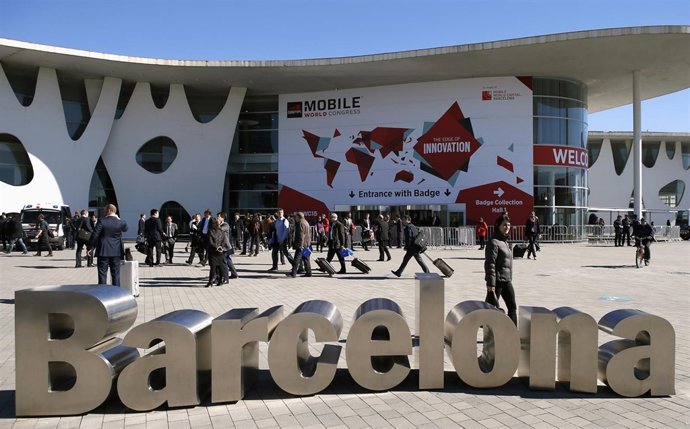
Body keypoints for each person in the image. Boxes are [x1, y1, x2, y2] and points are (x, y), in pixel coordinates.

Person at [484, 213, 517, 326]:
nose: (507, 227)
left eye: (508, 225)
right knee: (491, 310)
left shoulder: (505, 242)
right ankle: (489, 334)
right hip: (497, 282)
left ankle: (514, 335)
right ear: (498, 226)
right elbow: (490, 264)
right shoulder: (494, 242)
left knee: (512, 307)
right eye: (504, 225)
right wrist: (490, 283)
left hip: (507, 280)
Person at [88, 204, 128, 286]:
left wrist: (90, 247)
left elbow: (95, 235)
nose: (104, 211)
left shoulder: (102, 221)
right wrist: (118, 219)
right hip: (116, 251)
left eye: (105, 210)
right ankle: (116, 293)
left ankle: (103, 294)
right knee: (116, 274)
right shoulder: (121, 222)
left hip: (103, 251)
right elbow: (125, 228)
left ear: (109, 210)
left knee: (102, 274)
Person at [286, 212, 312, 278]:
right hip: (306, 244)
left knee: (296, 259)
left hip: (301, 245)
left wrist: (300, 245)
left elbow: (301, 235)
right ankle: (309, 272)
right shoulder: (306, 222)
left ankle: (293, 273)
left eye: (296, 217)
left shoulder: (301, 223)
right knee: (306, 258)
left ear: (299, 217)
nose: (295, 218)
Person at [205, 218, 229, 287]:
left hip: (213, 251)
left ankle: (210, 281)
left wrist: (216, 247)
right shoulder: (221, 231)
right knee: (220, 267)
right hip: (220, 251)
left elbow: (210, 242)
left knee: (213, 267)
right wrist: (221, 247)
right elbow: (224, 240)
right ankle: (220, 280)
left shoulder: (210, 231)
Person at [217, 212, 238, 282]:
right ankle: (234, 273)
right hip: (223, 246)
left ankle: (225, 276)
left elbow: (219, 230)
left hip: (226, 246)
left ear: (223, 218)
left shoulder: (225, 225)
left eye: (218, 217)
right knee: (228, 260)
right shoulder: (220, 225)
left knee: (225, 261)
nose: (217, 218)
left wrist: (216, 224)